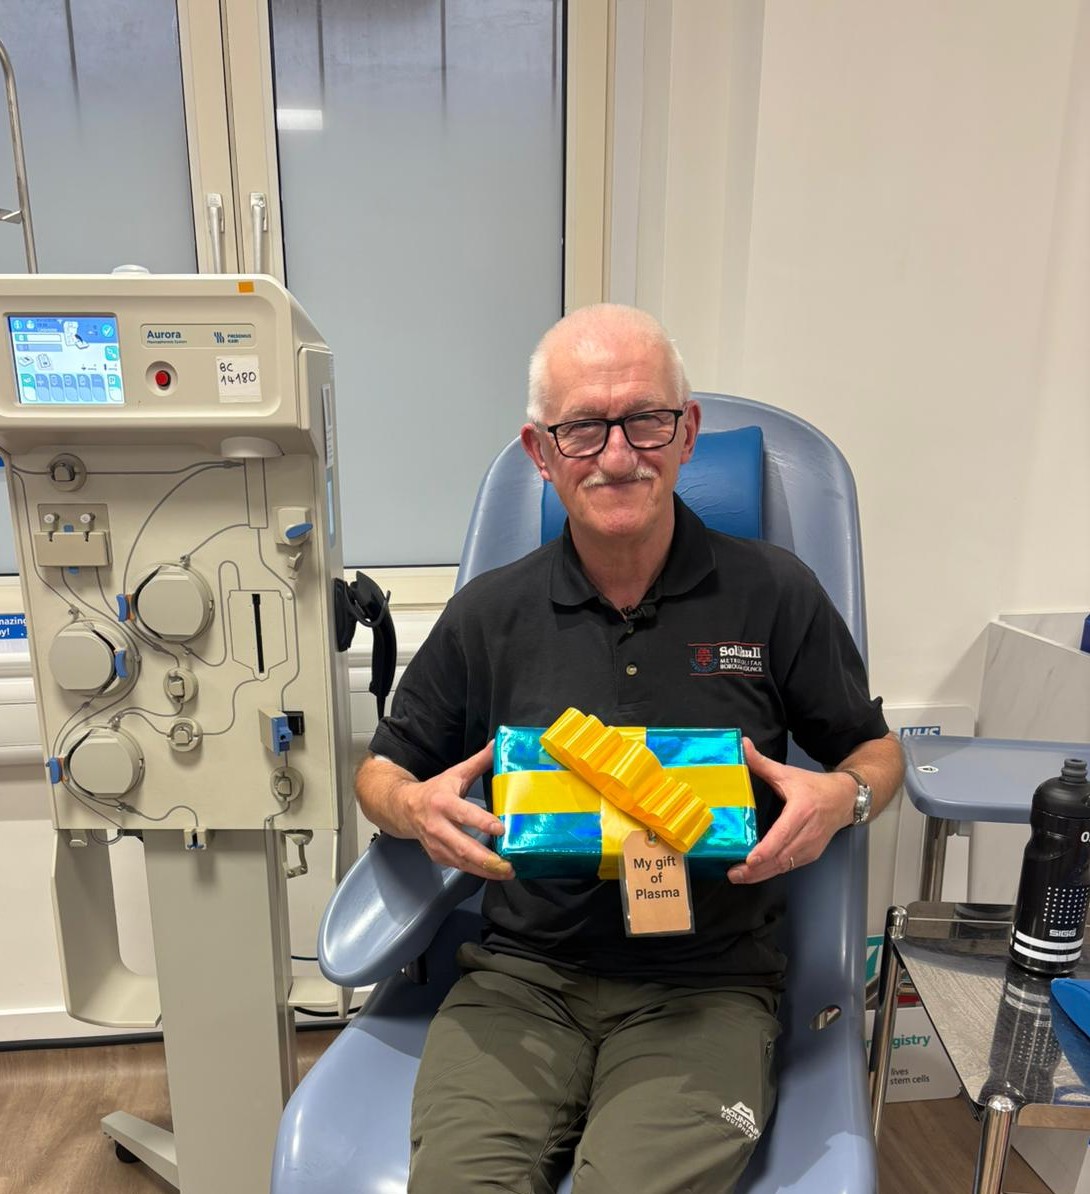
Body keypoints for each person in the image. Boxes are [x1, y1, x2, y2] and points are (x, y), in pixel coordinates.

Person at [356, 304, 904, 1194]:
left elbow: (877, 752)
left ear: (685, 434)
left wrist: (844, 798)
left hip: (708, 990)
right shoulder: (490, 614)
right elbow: (378, 772)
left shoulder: (774, 596)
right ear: (541, 453)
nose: (617, 455)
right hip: (521, 983)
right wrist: (413, 807)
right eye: (583, 429)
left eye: (646, 420)